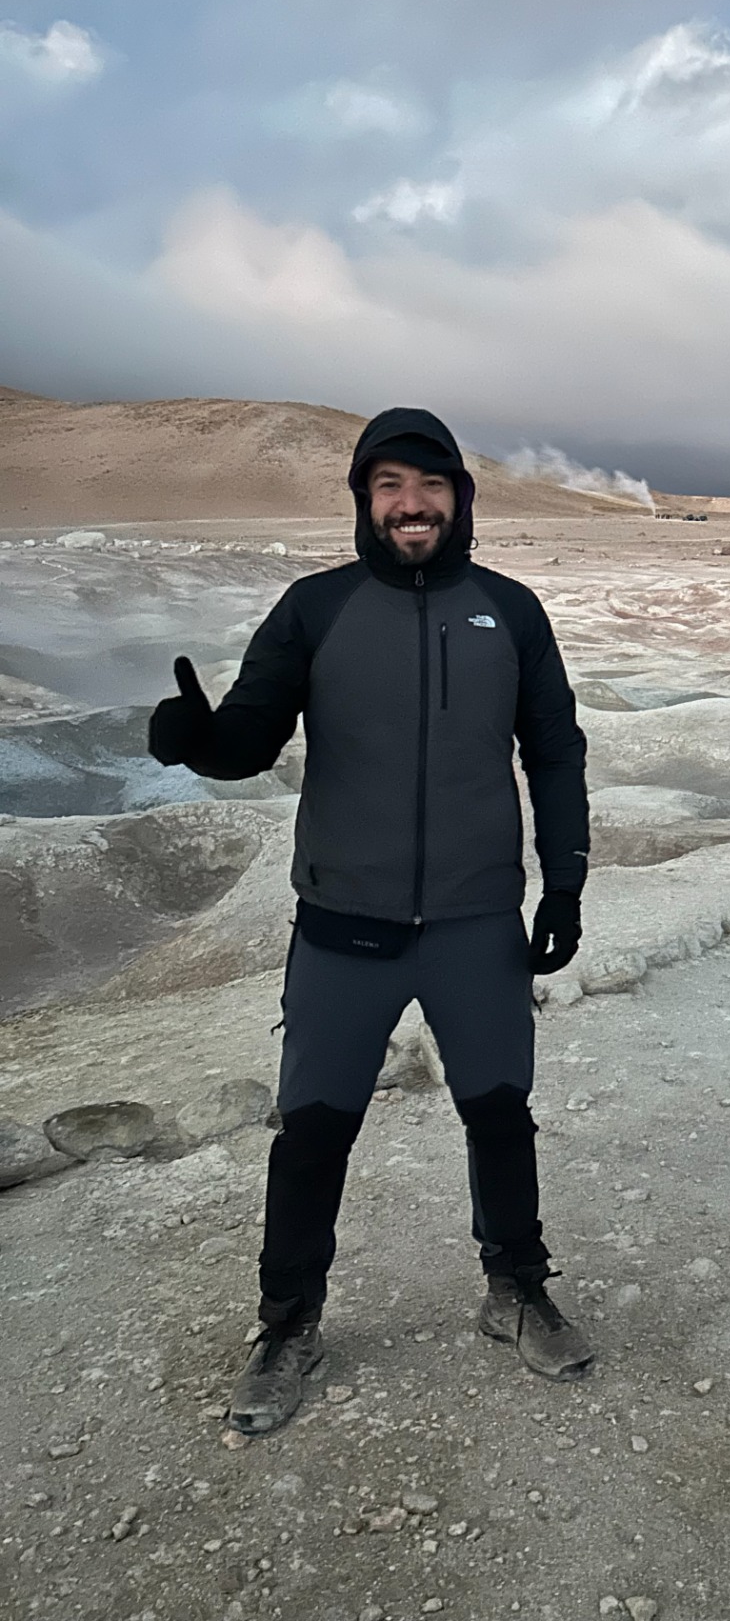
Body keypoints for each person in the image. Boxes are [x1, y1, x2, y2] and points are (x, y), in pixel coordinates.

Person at [148, 407, 593, 1436]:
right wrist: (198, 742)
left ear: (459, 498)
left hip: (477, 919)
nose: (411, 503)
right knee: (313, 1129)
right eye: (389, 484)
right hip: (345, 917)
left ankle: (515, 1290)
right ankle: (288, 1324)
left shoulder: (511, 612)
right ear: (364, 499)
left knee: (499, 1112)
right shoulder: (316, 609)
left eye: (429, 484)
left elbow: (555, 752)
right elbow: (251, 737)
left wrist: (562, 883)